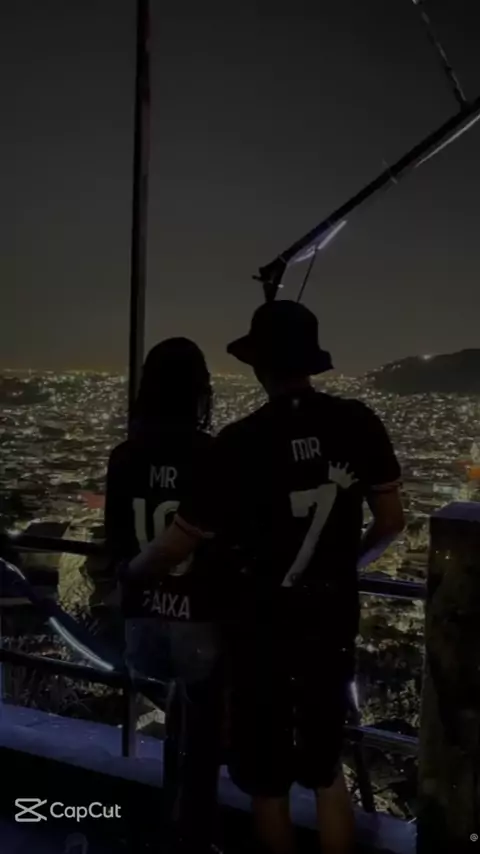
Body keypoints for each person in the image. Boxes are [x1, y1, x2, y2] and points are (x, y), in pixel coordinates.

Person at [125, 302, 405, 854]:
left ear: (258, 366)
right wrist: (346, 565)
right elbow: (391, 522)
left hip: (260, 626)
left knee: (267, 778)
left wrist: (133, 572)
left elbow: (179, 540)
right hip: (332, 617)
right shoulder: (358, 422)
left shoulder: (240, 441)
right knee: (326, 767)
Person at [104, 338, 223, 854]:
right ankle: (192, 833)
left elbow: (115, 540)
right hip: (200, 616)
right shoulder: (212, 455)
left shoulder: (124, 456)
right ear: (199, 391)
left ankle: (165, 823)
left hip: (143, 619)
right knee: (202, 737)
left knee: (173, 717)